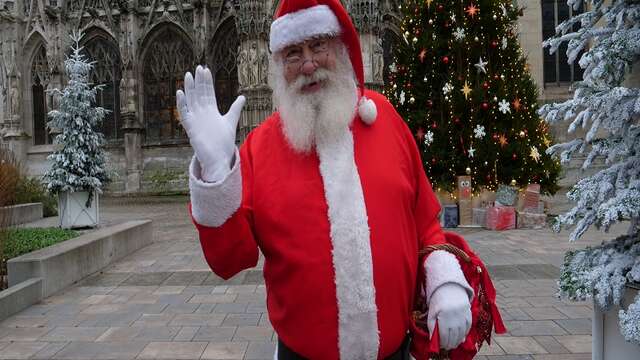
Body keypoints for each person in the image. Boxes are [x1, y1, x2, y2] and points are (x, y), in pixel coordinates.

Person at [177, 1, 477, 358]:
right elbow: (230, 261)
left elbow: (425, 221)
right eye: (292, 53)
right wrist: (216, 173)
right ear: (276, 66)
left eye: (318, 45)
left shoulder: (386, 120)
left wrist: (445, 280)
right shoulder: (260, 148)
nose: (307, 64)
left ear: (341, 47)